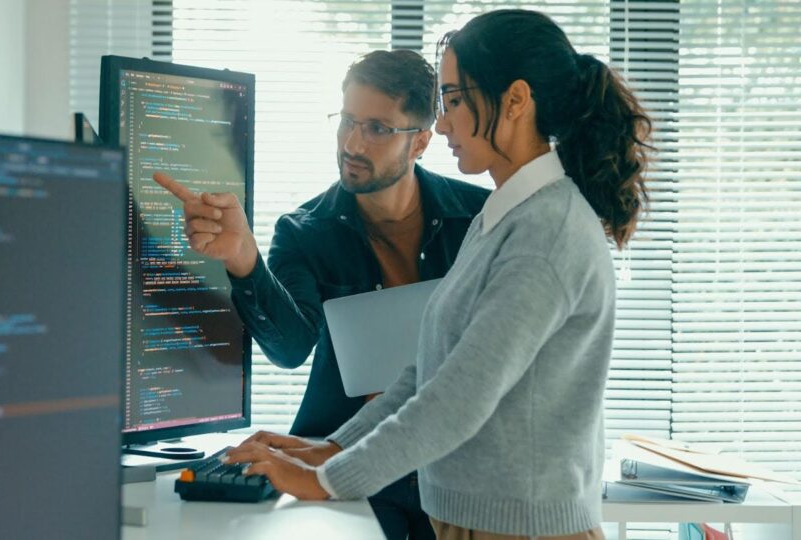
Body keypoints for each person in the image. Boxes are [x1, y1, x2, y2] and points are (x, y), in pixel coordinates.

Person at [223, 9, 653, 539]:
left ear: (515, 101)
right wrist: (334, 448)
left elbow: (459, 399)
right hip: (475, 523)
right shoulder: (502, 217)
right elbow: (429, 371)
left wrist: (329, 481)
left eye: (453, 101)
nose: (443, 122)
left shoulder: (547, 232)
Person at [153, 49, 489, 540]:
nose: (353, 142)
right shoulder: (306, 230)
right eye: (348, 121)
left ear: (420, 141)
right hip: (348, 468)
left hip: (456, 467)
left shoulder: (479, 217)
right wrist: (244, 260)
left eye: (377, 128)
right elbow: (290, 348)